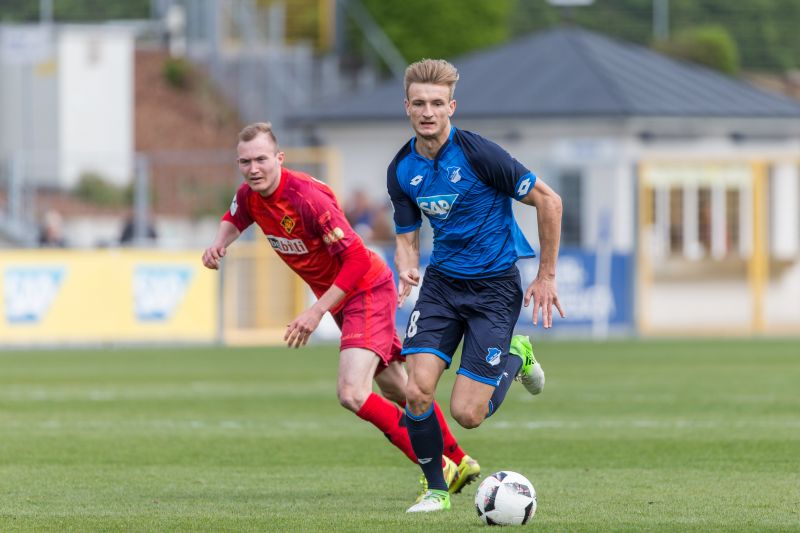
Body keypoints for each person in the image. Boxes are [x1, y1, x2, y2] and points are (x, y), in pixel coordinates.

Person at [202, 122, 481, 502]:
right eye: (245, 161)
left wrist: (315, 312)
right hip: (343, 299)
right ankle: (458, 459)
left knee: (352, 392)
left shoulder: (306, 199)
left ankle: (435, 467)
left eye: (262, 160)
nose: (254, 168)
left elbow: (353, 260)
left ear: (279, 158)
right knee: (398, 388)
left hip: (364, 288)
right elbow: (235, 216)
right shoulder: (250, 195)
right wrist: (219, 244)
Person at [387, 59, 566, 512]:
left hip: (493, 289)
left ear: (452, 106)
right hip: (443, 287)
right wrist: (407, 266)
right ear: (407, 107)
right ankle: (435, 490)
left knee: (467, 415)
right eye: (419, 104)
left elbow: (549, 199)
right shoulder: (401, 170)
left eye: (437, 104)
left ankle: (517, 355)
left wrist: (546, 275)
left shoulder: (479, 155)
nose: (428, 112)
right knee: (416, 390)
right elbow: (406, 239)